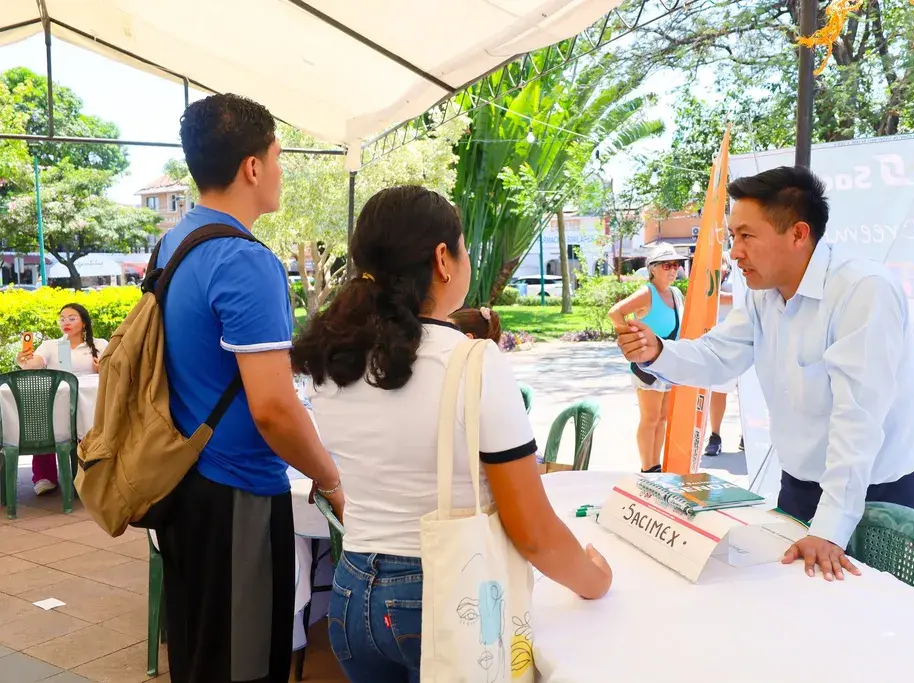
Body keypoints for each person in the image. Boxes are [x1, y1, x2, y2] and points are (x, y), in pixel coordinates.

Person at [294, 185, 612, 683]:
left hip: (352, 593)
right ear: (443, 259)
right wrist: (594, 579)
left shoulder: (332, 360)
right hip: (442, 593)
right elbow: (531, 528)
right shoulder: (472, 363)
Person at [615, 166, 914, 582]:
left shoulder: (863, 291)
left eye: (747, 236)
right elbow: (719, 354)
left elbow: (857, 420)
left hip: (877, 495)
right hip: (800, 484)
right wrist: (658, 351)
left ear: (798, 234)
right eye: (733, 237)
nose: (735, 252)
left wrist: (829, 530)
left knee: (870, 614)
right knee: (792, 604)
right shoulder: (764, 294)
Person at [154, 94, 343, 683]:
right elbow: (274, 409)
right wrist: (331, 480)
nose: (281, 171)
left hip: (181, 482)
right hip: (237, 495)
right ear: (253, 167)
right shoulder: (244, 260)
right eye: (278, 157)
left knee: (199, 654)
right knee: (244, 665)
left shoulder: (175, 243)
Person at [16, 303, 107, 495]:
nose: (66, 322)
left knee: (91, 431)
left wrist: (103, 368)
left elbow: (114, 368)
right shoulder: (52, 346)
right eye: (62, 318)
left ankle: (90, 475)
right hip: (57, 400)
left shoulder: (100, 344)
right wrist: (23, 360)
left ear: (84, 323)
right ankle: (44, 476)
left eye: (72, 318)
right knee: (44, 425)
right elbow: (33, 364)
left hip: (89, 400)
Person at [608, 243, 684, 473]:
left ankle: (655, 466)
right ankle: (647, 467)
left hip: (668, 363)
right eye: (667, 265)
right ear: (653, 268)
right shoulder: (647, 292)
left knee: (662, 418)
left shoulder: (676, 293)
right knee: (650, 419)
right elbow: (615, 312)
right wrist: (630, 341)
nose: (673, 269)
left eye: (676, 265)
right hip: (647, 366)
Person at [705, 260, 738, 457]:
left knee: (750, 391)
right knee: (719, 389)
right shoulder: (721, 261)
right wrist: (738, 298)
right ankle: (715, 436)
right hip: (722, 339)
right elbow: (710, 295)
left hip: (751, 336)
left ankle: (748, 435)